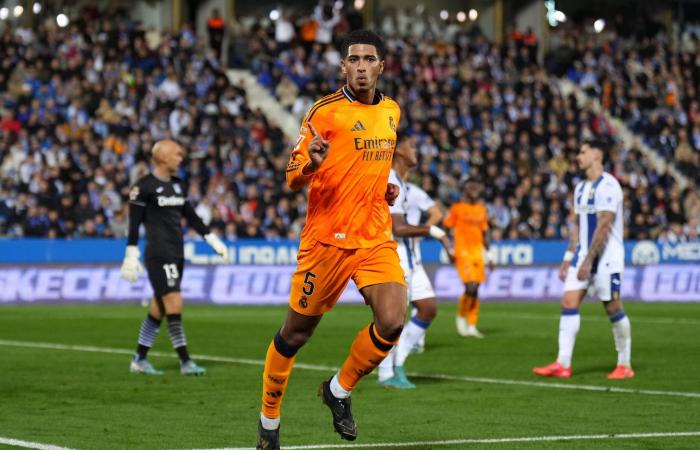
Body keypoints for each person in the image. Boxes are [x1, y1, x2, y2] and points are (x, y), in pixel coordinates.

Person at [256, 30, 406, 449]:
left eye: (368, 59)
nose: (361, 66)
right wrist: (312, 164)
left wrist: (385, 189)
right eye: (353, 60)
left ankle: (337, 391)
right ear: (344, 67)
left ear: (382, 66)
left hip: (374, 236)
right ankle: (269, 423)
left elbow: (370, 164)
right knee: (296, 334)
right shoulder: (325, 111)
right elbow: (291, 176)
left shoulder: (392, 111)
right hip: (327, 241)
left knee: (393, 320)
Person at [120, 140, 228, 376]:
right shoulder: (143, 187)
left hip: (176, 252)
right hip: (159, 253)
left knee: (158, 307)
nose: (181, 157)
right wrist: (130, 254)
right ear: (162, 158)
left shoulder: (178, 186)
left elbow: (191, 217)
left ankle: (139, 359)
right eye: (177, 154)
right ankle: (185, 361)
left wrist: (213, 240)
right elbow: (134, 223)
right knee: (174, 302)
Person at [533, 140, 633, 379]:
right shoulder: (580, 188)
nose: (578, 156)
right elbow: (578, 225)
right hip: (582, 258)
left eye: (583, 152)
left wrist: (588, 261)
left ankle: (624, 364)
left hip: (606, 259)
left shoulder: (609, 185)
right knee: (568, 303)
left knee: (612, 308)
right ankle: (563, 364)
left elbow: (604, 225)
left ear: (597, 155)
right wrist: (570, 256)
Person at [376, 132, 454, 389]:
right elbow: (398, 228)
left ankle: (399, 362)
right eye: (412, 147)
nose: (416, 152)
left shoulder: (406, 185)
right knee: (392, 318)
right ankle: (386, 373)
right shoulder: (389, 180)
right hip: (394, 257)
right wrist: (434, 231)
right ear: (398, 151)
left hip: (412, 259)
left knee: (428, 307)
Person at [443, 178, 494, 338]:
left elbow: (485, 233)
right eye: (471, 187)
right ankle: (461, 316)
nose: (475, 190)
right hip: (462, 252)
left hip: (478, 253)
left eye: (476, 187)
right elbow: (445, 228)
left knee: (476, 289)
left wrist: (490, 255)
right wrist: (449, 249)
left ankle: (472, 325)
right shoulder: (457, 208)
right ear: (464, 190)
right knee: (470, 286)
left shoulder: (481, 209)